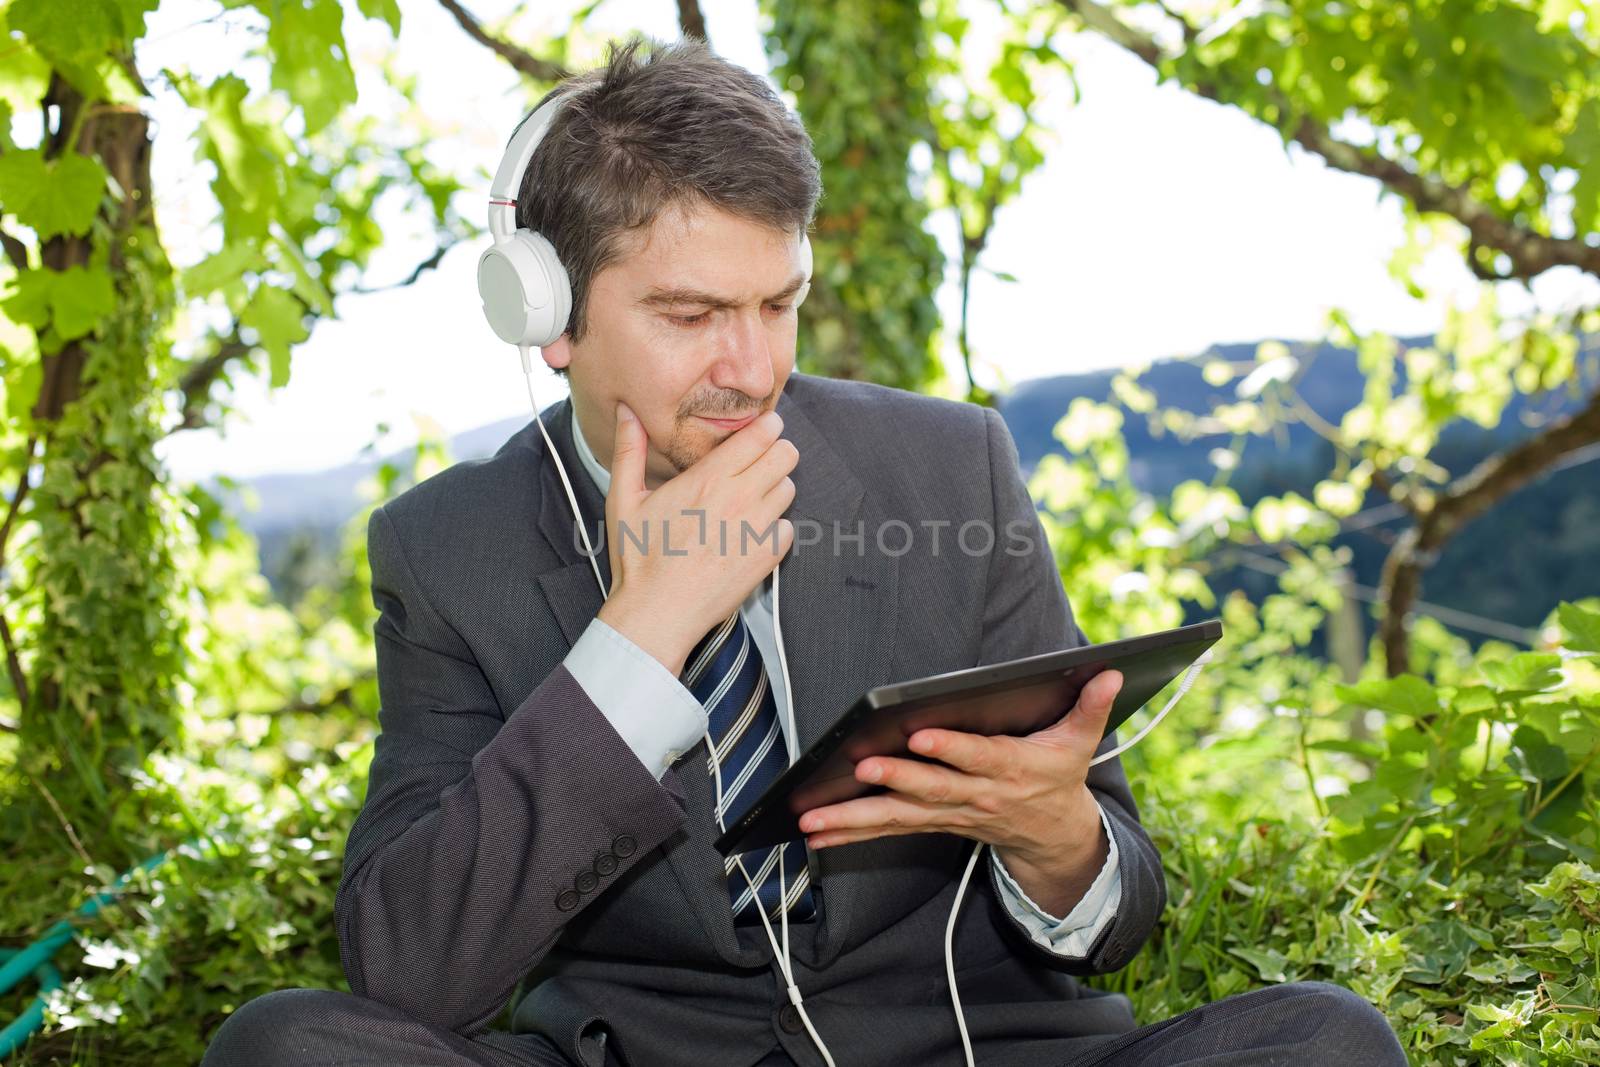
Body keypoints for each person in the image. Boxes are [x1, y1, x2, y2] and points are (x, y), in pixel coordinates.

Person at [200, 35, 1407, 1067]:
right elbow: (408, 969)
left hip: (974, 1049)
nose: (751, 367)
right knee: (281, 1045)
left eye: (777, 303)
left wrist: (1059, 843)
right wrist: (638, 639)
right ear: (549, 314)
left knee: (1327, 1039)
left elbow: (1115, 903)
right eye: (689, 315)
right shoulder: (444, 547)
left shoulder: (949, 465)